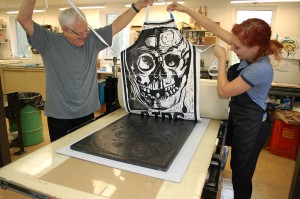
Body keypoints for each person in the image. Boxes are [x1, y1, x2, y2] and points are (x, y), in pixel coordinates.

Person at [167, 2, 283, 199]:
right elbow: (213, 27)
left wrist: (222, 60)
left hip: (253, 125)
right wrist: (185, 9)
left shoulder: (261, 68)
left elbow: (223, 91)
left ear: (255, 48)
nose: (232, 48)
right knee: (238, 166)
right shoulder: (252, 53)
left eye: (237, 47)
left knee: (241, 174)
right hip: (241, 118)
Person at [17, 0, 153, 142]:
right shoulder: (48, 41)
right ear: (65, 30)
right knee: (62, 160)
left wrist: (136, 6)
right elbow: (23, 19)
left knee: (85, 155)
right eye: (79, 33)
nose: (84, 36)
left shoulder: (92, 40)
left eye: (86, 31)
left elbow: (116, 26)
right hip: (60, 116)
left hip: (87, 113)